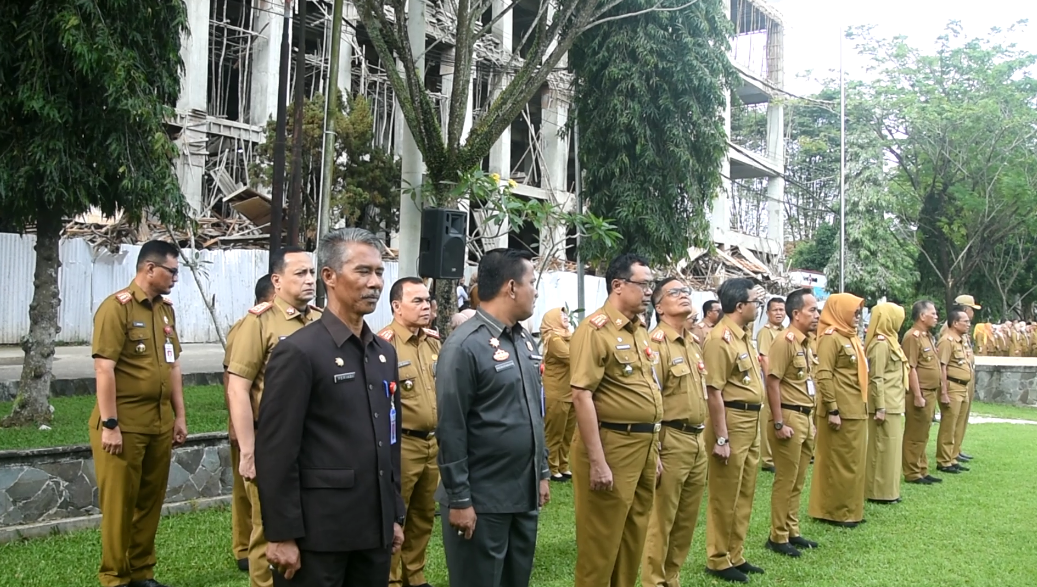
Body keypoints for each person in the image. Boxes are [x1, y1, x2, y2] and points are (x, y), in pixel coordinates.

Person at [255, 228, 405, 587]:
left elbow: (389, 438)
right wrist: (281, 534)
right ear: (329, 277)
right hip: (319, 535)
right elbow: (276, 450)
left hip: (373, 530)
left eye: (380, 272)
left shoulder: (383, 352)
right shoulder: (300, 351)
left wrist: (394, 514)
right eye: (363, 272)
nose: (375, 283)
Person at [435, 248, 550, 587]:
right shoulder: (464, 346)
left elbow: (533, 410)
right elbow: (451, 429)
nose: (536, 291)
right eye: (532, 282)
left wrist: (541, 472)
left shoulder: (523, 340)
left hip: (522, 493)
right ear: (511, 287)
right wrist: (460, 499)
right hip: (483, 500)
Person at [89, 239, 188, 587]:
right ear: (149, 269)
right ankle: (115, 577)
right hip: (124, 423)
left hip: (158, 422)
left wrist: (180, 416)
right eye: (172, 271)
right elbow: (104, 369)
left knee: (150, 500)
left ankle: (141, 572)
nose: (176, 278)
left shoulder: (165, 311)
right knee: (120, 504)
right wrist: (110, 424)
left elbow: (173, 366)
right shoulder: (117, 308)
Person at [225, 247, 320, 587]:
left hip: (314, 443)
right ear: (277, 281)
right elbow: (238, 388)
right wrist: (249, 452)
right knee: (268, 527)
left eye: (312, 273)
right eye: (300, 274)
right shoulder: (259, 322)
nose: (309, 280)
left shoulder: (320, 319)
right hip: (272, 442)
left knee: (308, 523)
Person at [569, 253, 663, 587]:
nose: (649, 291)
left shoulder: (639, 331)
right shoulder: (595, 330)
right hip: (612, 445)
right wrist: (597, 462)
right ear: (618, 285)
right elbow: (582, 395)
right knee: (601, 545)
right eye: (643, 284)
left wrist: (656, 452)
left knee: (632, 537)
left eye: (651, 284)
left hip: (644, 447)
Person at [641, 277, 709, 587]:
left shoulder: (692, 344)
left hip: (697, 440)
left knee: (685, 520)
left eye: (686, 292)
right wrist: (654, 451)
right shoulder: (656, 344)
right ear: (659, 306)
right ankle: (654, 581)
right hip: (671, 439)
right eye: (675, 292)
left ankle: (672, 578)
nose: (684, 296)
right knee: (662, 520)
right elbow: (652, 402)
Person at [379, 278, 442, 587]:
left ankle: (414, 574)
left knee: (423, 513)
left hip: (432, 443)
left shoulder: (433, 342)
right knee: (394, 516)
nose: (425, 306)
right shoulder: (384, 344)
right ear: (396, 306)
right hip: (401, 444)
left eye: (427, 300)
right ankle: (389, 579)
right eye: (417, 300)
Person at [702, 278, 765, 583]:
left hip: (752, 421)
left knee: (745, 491)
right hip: (732, 420)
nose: (759, 306)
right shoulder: (719, 339)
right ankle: (717, 557)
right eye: (756, 301)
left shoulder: (743, 336)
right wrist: (722, 436)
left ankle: (735, 553)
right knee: (725, 493)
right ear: (740, 306)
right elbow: (714, 391)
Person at [764, 289, 821, 557]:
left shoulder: (806, 343)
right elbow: (772, 381)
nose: (817, 315)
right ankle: (778, 535)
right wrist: (778, 422)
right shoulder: (784, 341)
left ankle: (792, 530)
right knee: (786, 479)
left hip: (805, 416)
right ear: (796, 314)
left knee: (798, 479)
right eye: (812, 310)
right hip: (788, 416)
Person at [225, 274, 275, 572]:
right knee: (247, 491)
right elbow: (232, 380)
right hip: (250, 423)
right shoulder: (248, 327)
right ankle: (245, 549)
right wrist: (234, 424)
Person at [809, 293, 868, 528]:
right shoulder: (830, 338)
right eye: (853, 312)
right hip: (841, 410)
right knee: (839, 462)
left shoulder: (850, 337)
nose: (857, 317)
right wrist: (832, 408)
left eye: (858, 313)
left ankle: (850, 509)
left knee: (853, 462)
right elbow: (823, 375)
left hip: (856, 408)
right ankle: (835, 511)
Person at [864, 302, 909, 504]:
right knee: (880, 449)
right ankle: (877, 491)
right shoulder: (881, 344)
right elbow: (876, 377)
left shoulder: (892, 341)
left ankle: (889, 490)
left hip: (894, 403)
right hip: (884, 406)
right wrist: (880, 406)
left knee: (891, 451)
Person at [902, 300, 943, 485]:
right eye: (933, 313)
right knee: (915, 434)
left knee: (924, 433)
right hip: (921, 393)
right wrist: (917, 395)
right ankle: (912, 472)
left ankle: (922, 469)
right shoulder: (912, 336)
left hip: (930, 392)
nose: (936, 317)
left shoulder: (927, 336)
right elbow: (911, 368)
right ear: (922, 316)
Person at [935, 308, 973, 475]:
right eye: (965, 321)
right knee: (948, 425)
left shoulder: (960, 340)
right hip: (952, 386)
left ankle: (952, 457)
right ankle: (944, 461)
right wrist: (943, 391)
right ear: (955, 323)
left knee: (958, 423)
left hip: (963, 387)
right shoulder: (947, 341)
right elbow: (941, 367)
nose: (968, 324)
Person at [541, 307, 576, 482]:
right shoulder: (554, 339)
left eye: (566, 314)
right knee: (555, 432)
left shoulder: (568, 335)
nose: (566, 317)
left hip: (570, 391)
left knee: (568, 432)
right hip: (557, 392)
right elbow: (571, 357)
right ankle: (550, 466)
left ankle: (563, 464)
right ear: (553, 319)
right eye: (561, 315)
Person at [756, 297, 786, 473]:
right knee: (769, 417)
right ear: (767, 313)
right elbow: (765, 359)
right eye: (775, 310)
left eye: (781, 310)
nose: (779, 313)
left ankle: (775, 455)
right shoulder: (765, 332)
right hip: (771, 382)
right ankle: (767, 459)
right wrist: (771, 383)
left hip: (782, 381)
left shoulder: (783, 331)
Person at [953, 294, 981, 463]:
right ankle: (951, 451)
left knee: (964, 416)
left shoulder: (964, 330)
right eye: (972, 309)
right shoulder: (951, 329)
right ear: (964, 309)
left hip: (967, 376)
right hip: (957, 381)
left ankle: (957, 448)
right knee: (956, 418)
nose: (973, 313)